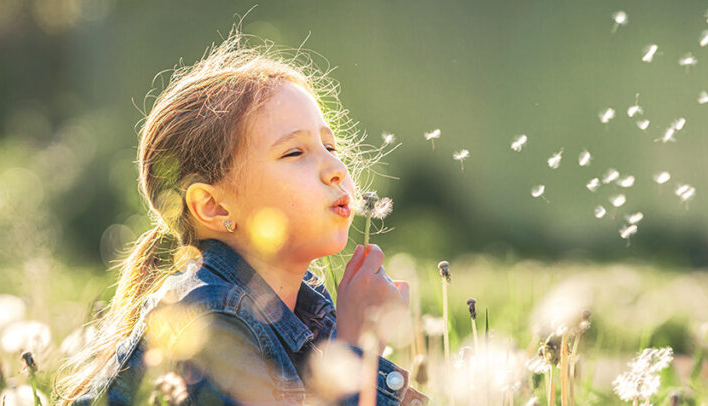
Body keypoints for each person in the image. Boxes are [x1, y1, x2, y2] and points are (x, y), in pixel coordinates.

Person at [53, 26, 429, 406]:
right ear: (214, 207)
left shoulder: (304, 310)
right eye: (294, 153)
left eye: (330, 145)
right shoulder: (209, 318)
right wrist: (357, 346)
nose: (335, 168)